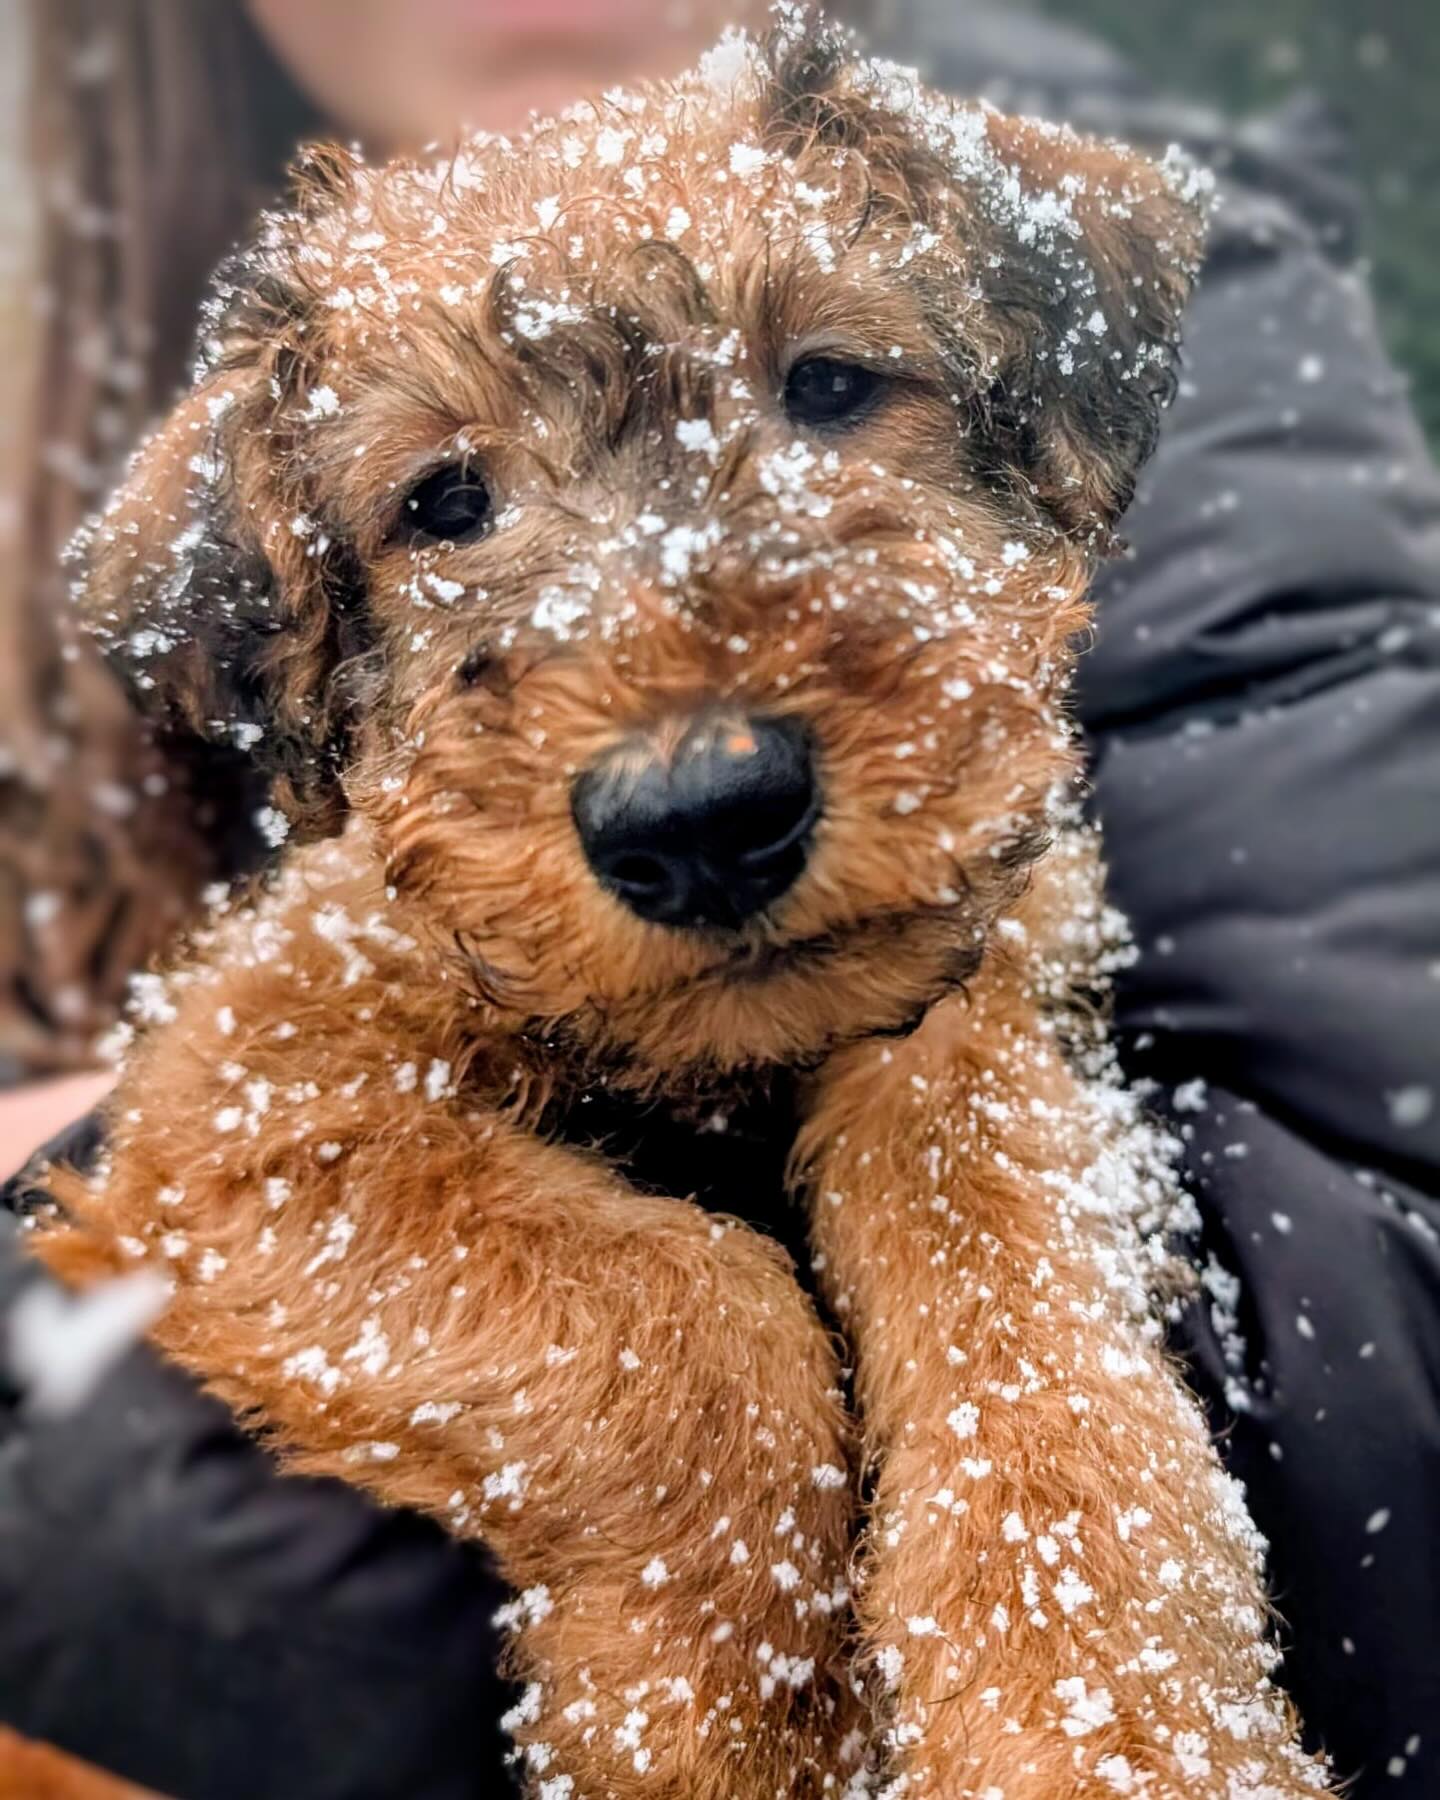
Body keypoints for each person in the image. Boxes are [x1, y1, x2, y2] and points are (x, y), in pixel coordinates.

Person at [1, 2, 1436, 1795]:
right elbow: (224, 1175)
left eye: (829, 390)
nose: (680, 730)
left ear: (1055, 442)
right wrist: (685, 1415)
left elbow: (1373, 1241)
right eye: (447, 503)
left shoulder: (1013, 212)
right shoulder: (152, 402)